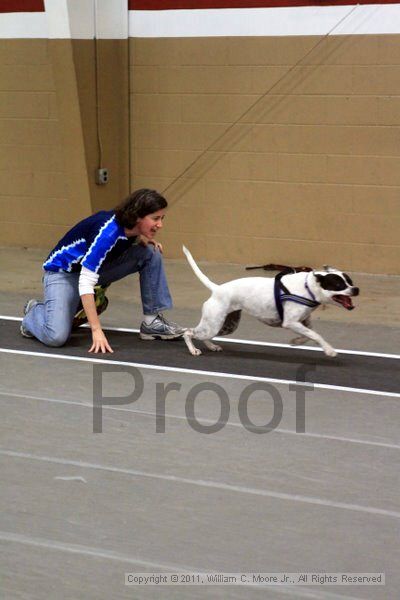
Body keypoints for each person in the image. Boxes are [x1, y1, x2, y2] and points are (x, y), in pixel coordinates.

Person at [20, 188, 184, 353]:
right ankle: (34, 312)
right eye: (155, 218)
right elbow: (85, 282)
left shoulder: (131, 229)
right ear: (137, 216)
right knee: (55, 336)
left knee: (150, 253)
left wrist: (141, 240)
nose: (160, 225)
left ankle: (151, 323)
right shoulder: (106, 233)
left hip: (90, 271)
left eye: (162, 218)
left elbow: (123, 240)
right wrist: (96, 330)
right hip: (62, 274)